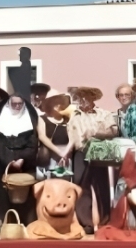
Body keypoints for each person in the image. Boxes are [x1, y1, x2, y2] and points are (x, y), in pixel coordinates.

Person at [67, 87, 118, 232]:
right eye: (80, 97)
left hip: (100, 152)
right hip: (80, 152)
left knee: (102, 186)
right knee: (81, 186)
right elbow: (71, 137)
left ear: (92, 98)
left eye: (86, 97)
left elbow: (113, 131)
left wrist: (95, 133)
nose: (83, 100)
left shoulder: (104, 114)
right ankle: (87, 222)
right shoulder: (74, 116)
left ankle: (104, 220)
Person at [0, 94, 39, 226]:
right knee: (1, 191)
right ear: (9, 104)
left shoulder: (29, 121)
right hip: (2, 161)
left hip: (24, 163)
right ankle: (0, 221)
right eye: (14, 103)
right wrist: (7, 162)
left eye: (20, 104)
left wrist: (22, 160)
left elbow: (33, 145)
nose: (17, 106)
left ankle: (26, 222)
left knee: (25, 192)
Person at [36, 89, 71, 177]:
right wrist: (59, 153)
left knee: (66, 183)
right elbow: (42, 137)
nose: (59, 104)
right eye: (56, 102)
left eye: (61, 101)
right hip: (49, 157)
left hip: (67, 156)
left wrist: (65, 153)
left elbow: (73, 137)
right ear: (50, 104)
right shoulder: (42, 119)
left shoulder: (68, 120)